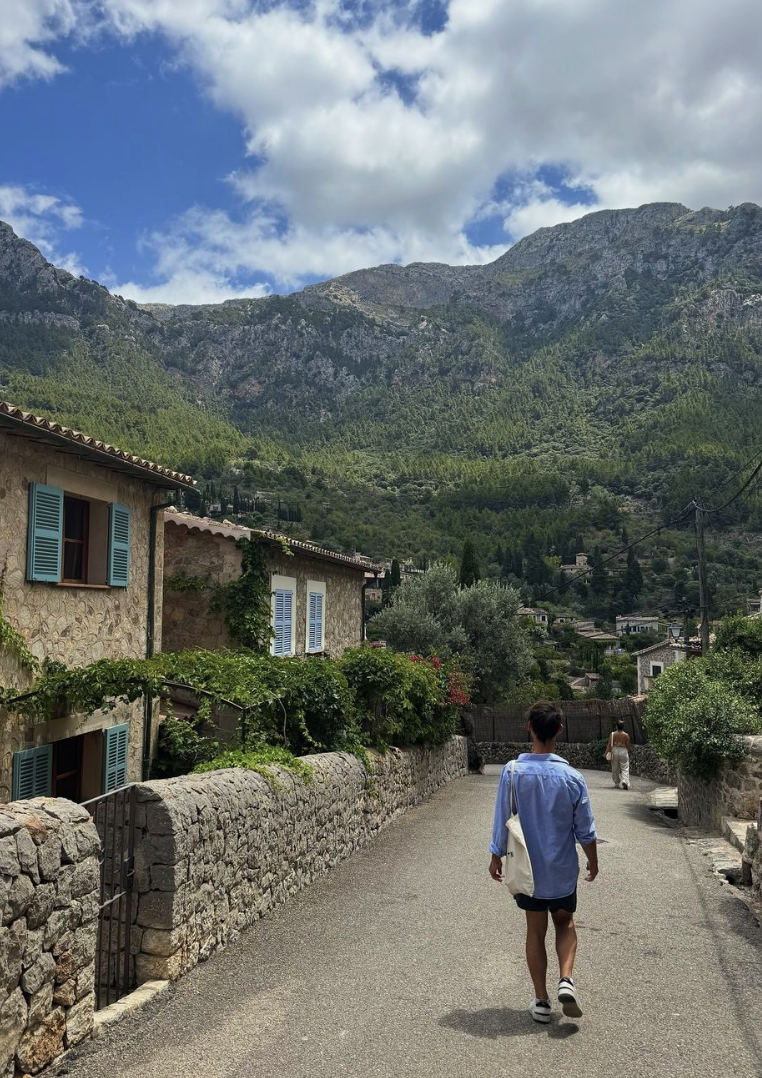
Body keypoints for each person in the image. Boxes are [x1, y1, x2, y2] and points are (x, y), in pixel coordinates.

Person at [488, 701, 598, 1023]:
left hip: (527, 871)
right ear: (559, 731)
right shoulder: (572, 778)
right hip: (561, 870)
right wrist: (592, 862)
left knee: (535, 932)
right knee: (565, 923)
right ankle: (566, 978)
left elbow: (501, 820)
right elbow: (586, 831)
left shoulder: (511, 772)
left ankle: (541, 1001)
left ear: (529, 727)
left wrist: (495, 857)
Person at [607, 720, 631, 789]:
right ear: (623, 727)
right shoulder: (626, 735)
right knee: (625, 767)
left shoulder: (613, 734)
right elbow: (628, 745)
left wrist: (607, 752)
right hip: (623, 750)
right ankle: (625, 781)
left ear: (616, 726)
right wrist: (628, 751)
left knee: (615, 767)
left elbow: (609, 745)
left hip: (615, 750)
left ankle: (616, 783)